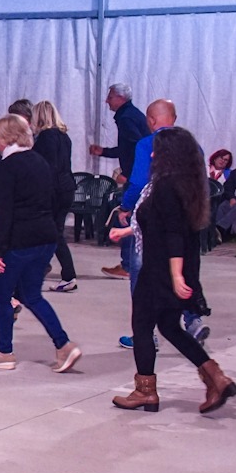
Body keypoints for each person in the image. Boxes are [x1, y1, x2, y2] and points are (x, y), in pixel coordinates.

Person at [108, 127, 236, 414]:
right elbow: (160, 224)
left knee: (142, 326)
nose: (153, 154)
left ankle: (145, 392)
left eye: (158, 150)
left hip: (160, 270)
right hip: (168, 268)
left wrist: (176, 276)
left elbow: (173, 235)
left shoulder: (166, 186)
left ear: (171, 155)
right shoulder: (183, 184)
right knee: (168, 326)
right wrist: (127, 232)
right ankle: (215, 377)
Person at [0, 114, 82, 373]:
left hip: (18, 242)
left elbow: (4, 212)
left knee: (1, 296)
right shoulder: (40, 162)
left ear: (5, 138)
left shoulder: (8, 167)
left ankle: (4, 352)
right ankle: (64, 345)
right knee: (32, 296)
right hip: (46, 238)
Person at [114, 100, 206, 349]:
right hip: (188, 217)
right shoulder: (192, 144)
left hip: (155, 217)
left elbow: (139, 181)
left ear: (151, 120)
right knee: (184, 269)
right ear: (174, 117)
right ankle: (193, 318)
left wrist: (125, 207)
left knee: (141, 272)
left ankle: (145, 333)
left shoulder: (148, 144)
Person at [89, 83, 151, 278]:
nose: (107, 100)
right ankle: (132, 264)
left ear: (120, 98)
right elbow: (128, 147)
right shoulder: (131, 115)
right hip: (138, 173)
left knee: (125, 215)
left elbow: (137, 145)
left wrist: (131, 173)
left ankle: (128, 265)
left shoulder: (126, 118)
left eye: (110, 97)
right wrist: (105, 152)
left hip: (136, 177)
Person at [29, 101, 78, 293]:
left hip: (54, 190)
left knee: (53, 232)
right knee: (54, 231)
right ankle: (50, 270)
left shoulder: (45, 138)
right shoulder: (64, 137)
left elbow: (47, 167)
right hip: (67, 187)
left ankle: (67, 274)